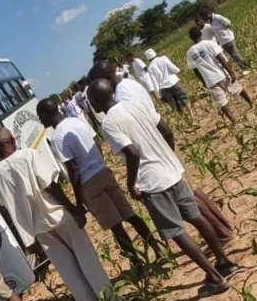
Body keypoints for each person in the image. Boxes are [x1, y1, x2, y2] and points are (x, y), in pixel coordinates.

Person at [91, 79, 239, 295]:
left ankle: (215, 278)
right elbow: (167, 132)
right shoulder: (136, 104)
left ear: (95, 101)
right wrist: (167, 156)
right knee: (195, 217)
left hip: (153, 181)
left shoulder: (109, 123)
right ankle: (224, 262)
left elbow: (132, 153)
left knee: (176, 232)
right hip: (171, 170)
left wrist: (132, 183)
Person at [89, 59, 234, 243]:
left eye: (97, 82)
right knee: (191, 192)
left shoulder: (123, 93)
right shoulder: (127, 86)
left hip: (159, 148)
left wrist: (167, 154)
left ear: (108, 78)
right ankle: (222, 229)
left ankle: (222, 232)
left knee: (189, 197)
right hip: (160, 146)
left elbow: (142, 126)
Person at [0, 128, 109, 301]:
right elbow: (50, 186)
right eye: (13, 138)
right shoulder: (27, 155)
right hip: (57, 214)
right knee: (88, 260)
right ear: (8, 142)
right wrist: (73, 208)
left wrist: (27, 238)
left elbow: (8, 207)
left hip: (38, 228)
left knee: (69, 272)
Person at [38, 98, 164, 272]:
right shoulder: (77, 121)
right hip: (103, 172)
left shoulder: (58, 137)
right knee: (130, 215)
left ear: (45, 115)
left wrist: (79, 200)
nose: (40, 121)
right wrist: (98, 163)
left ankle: (138, 263)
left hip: (89, 183)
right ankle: (158, 249)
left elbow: (73, 170)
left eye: (40, 117)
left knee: (116, 226)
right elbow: (97, 144)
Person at [186, 26, 253, 125]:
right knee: (237, 89)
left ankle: (233, 121)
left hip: (210, 80)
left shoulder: (190, 53)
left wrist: (203, 82)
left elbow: (195, 70)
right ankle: (250, 102)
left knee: (221, 102)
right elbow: (221, 58)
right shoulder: (209, 43)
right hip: (221, 74)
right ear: (201, 34)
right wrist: (231, 72)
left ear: (191, 38)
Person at [196, 6, 250, 74]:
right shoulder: (211, 21)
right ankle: (243, 67)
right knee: (233, 56)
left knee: (235, 54)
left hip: (228, 39)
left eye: (203, 17)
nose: (204, 19)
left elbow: (228, 23)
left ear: (207, 15)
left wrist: (225, 32)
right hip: (223, 42)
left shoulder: (217, 17)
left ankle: (246, 68)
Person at [144, 49, 191, 118]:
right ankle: (192, 117)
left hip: (164, 88)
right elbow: (173, 68)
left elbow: (155, 83)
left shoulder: (150, 68)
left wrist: (159, 95)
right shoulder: (163, 58)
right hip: (174, 82)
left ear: (148, 59)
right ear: (155, 54)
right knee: (184, 98)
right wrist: (178, 70)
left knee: (174, 104)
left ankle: (185, 119)